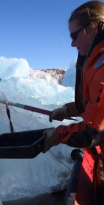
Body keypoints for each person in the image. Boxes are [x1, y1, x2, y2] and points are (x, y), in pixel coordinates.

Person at [42, 1, 104, 153]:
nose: (72, 44)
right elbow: (95, 104)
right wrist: (68, 110)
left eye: (74, 36)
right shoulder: (96, 61)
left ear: (92, 27)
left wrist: (57, 135)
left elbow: (93, 132)